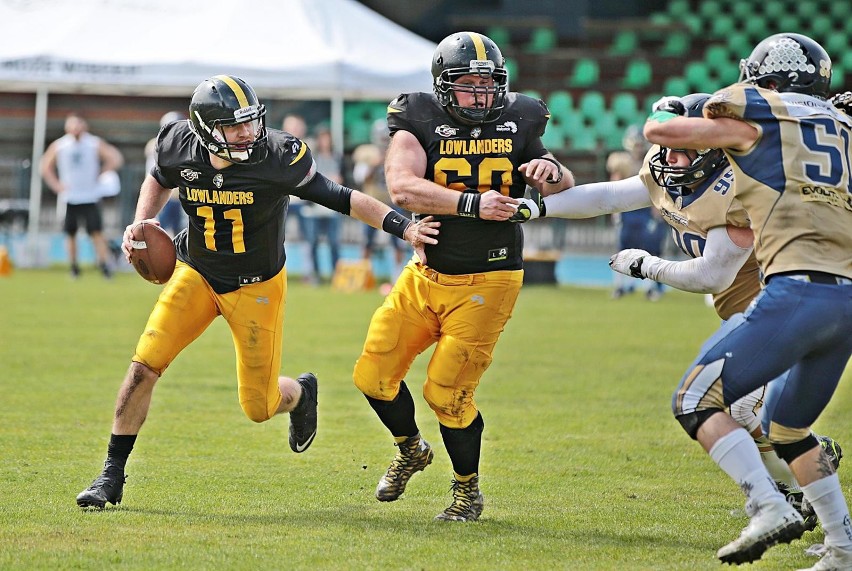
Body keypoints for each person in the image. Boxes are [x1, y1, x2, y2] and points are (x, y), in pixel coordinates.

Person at [75, 75, 440, 509]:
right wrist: (142, 222)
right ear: (205, 129)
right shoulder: (177, 142)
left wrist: (404, 226)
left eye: (251, 122)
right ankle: (110, 476)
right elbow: (158, 178)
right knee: (143, 368)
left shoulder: (276, 157)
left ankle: (301, 393)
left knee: (259, 406)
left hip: (256, 287)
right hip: (197, 273)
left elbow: (342, 197)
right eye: (235, 126)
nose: (248, 133)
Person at [519, 91, 843, 532]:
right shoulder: (668, 166)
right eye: (668, 148)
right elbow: (610, 195)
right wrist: (536, 207)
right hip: (751, 313)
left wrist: (645, 265)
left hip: (781, 311)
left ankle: (800, 498)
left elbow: (712, 275)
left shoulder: (737, 185)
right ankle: (801, 487)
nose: (669, 159)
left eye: (682, 150)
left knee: (747, 412)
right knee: (760, 419)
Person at [642, 34, 852, 568]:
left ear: (767, 81)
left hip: (797, 289)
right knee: (788, 428)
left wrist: (681, 108)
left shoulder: (763, 108)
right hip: (847, 299)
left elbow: (661, 130)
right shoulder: (842, 125)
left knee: (694, 400)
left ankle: (767, 504)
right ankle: (844, 549)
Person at [352, 31, 573, 522]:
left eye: (488, 84)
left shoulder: (521, 118)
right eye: (469, 84)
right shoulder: (416, 117)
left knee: (446, 392)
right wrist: (473, 204)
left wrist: (546, 172)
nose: (481, 94)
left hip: (490, 278)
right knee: (372, 375)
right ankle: (411, 449)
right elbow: (403, 186)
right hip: (425, 274)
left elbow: (564, 181)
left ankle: (466, 490)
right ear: (443, 87)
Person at [40, 112, 124, 279]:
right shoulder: (60, 145)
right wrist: (57, 185)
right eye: (73, 124)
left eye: (79, 124)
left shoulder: (93, 143)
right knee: (70, 233)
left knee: (96, 232)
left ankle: (104, 265)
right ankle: (74, 266)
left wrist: (102, 173)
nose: (76, 128)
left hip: (90, 196)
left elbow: (115, 158)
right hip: (69, 196)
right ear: (67, 127)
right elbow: (44, 166)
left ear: (84, 126)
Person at [605, 150, 666, 301]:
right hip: (628, 213)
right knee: (623, 250)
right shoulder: (622, 164)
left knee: (647, 251)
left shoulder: (650, 164)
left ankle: (648, 289)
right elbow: (615, 189)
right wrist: (616, 213)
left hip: (642, 212)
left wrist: (656, 212)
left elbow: (654, 189)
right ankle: (621, 286)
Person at [353, 119, 409, 281]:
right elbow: (359, 177)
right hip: (371, 202)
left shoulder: (397, 152)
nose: (384, 141)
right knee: (367, 241)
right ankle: (364, 275)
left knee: (398, 240)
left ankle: (396, 276)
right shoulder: (367, 152)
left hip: (393, 202)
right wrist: (374, 164)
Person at [300, 124, 343, 283]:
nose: (325, 141)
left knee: (334, 243)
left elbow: (346, 180)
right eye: (322, 138)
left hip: (332, 207)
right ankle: (315, 275)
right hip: (314, 208)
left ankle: (337, 275)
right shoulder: (312, 158)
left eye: (328, 138)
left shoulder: (337, 157)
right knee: (313, 243)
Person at [145, 111, 187, 237]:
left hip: (175, 197)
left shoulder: (180, 144)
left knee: (178, 232)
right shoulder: (157, 143)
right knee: (158, 231)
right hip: (161, 194)